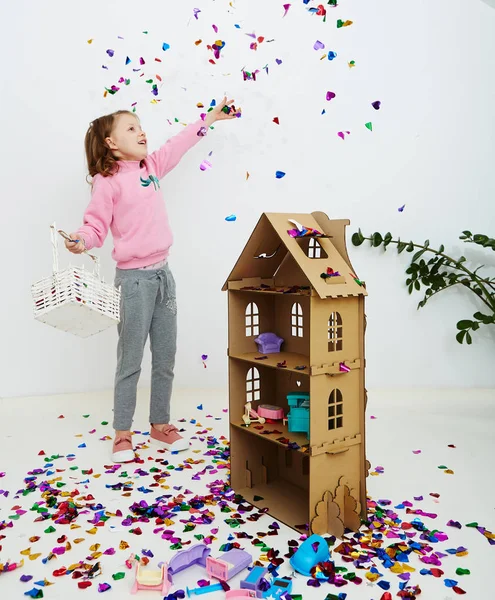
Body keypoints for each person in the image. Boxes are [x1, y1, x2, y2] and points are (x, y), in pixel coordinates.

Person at [65, 98, 240, 463]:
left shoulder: (151, 167)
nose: (141, 132)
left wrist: (208, 118)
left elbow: (177, 145)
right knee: (130, 358)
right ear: (111, 143)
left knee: (165, 356)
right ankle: (123, 433)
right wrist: (82, 241)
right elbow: (95, 224)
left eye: (140, 126)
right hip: (133, 284)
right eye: (131, 128)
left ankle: (160, 423)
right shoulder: (107, 183)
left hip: (164, 277)